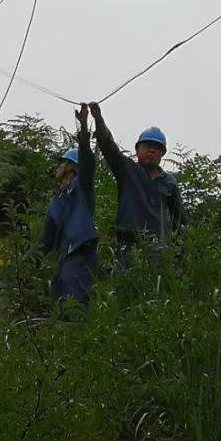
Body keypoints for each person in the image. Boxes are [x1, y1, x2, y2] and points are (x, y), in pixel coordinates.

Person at [88, 102, 186, 264]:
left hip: (158, 250)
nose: (152, 150)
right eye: (147, 146)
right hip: (128, 246)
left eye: (157, 148)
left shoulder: (169, 182)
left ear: (162, 154)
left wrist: (181, 251)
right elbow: (108, 146)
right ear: (137, 150)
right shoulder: (127, 170)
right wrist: (99, 119)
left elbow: (180, 219)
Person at [39, 103, 99, 305]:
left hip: (81, 254)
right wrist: (26, 261)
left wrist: (83, 126)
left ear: (71, 167)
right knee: (61, 301)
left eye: (64, 163)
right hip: (65, 258)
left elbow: (88, 162)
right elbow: (45, 242)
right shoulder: (57, 201)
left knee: (75, 304)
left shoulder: (82, 187)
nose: (60, 168)